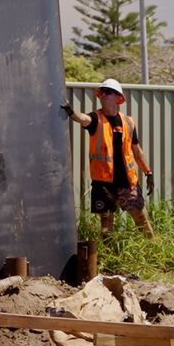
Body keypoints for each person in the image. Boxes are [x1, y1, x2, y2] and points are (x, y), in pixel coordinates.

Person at [65, 78, 156, 237]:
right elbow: (84, 119)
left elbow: (137, 150)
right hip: (103, 183)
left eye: (108, 92)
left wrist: (148, 172)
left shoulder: (128, 122)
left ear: (117, 97)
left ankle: (155, 252)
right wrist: (72, 113)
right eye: (102, 92)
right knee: (106, 225)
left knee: (141, 218)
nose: (103, 95)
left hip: (127, 182)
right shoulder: (95, 119)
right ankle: (107, 256)